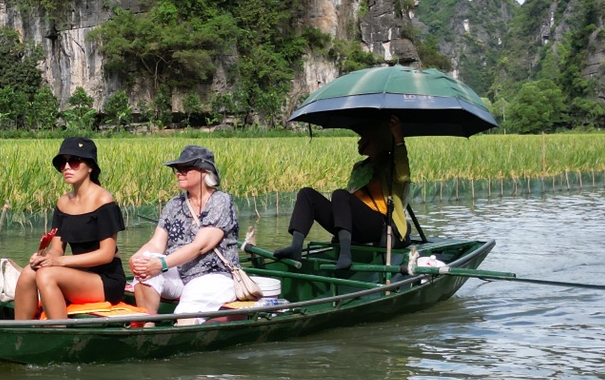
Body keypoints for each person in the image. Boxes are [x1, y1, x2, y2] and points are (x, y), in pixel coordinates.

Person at [268, 116, 409, 271]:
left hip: (378, 225)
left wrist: (398, 138)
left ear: (375, 142)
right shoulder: (360, 167)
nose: (359, 142)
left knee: (339, 195)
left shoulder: (390, 165)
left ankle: (345, 254)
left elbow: (403, 176)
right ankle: (296, 246)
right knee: (307, 194)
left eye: (363, 138)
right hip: (352, 223)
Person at [13, 135, 127, 320]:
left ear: (90, 167)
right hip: (75, 273)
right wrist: (45, 258)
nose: (67, 167)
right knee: (28, 273)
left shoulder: (104, 201)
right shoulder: (62, 203)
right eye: (62, 163)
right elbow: (57, 248)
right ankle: (20, 331)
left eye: (74, 161)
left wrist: (58, 262)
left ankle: (59, 330)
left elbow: (106, 255)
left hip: (105, 280)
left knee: (46, 276)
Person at [128, 144, 241, 316]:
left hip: (211, 276)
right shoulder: (175, 204)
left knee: (185, 313)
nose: (179, 173)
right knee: (145, 264)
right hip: (179, 274)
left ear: (204, 171)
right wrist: (137, 258)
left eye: (186, 169)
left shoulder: (220, 201)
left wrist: (161, 264)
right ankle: (147, 324)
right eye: (177, 169)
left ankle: (182, 324)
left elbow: (199, 247)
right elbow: (156, 243)